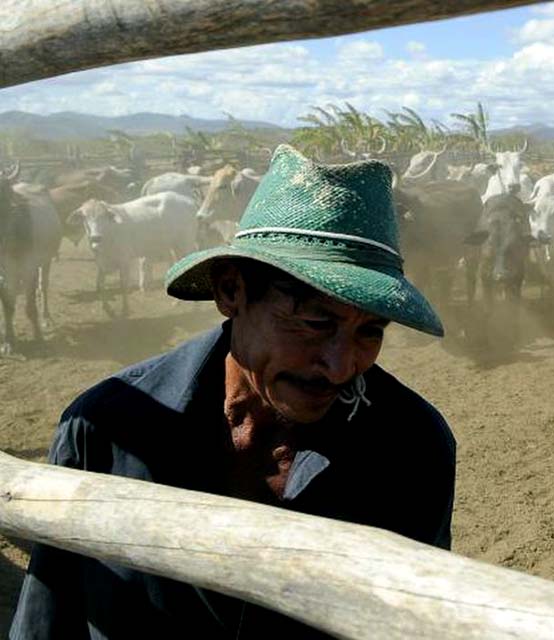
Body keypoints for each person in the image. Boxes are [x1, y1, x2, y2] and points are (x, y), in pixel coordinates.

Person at [10, 146, 456, 639]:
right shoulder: (104, 430)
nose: (340, 366)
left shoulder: (412, 445)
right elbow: (46, 624)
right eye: (314, 322)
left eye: (371, 332)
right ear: (230, 291)